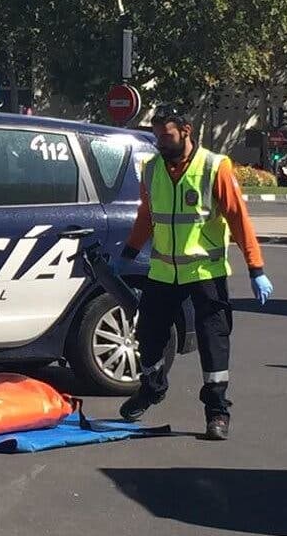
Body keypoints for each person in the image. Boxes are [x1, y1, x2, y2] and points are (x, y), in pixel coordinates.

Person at [112, 103, 273, 441]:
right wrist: (127, 253)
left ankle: (217, 412)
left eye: (166, 135)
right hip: (163, 271)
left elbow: (238, 219)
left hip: (205, 272)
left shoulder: (214, 167)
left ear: (186, 131)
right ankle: (152, 389)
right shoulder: (152, 168)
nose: (160, 142)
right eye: (156, 135)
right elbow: (147, 216)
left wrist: (255, 267)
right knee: (149, 337)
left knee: (214, 344)